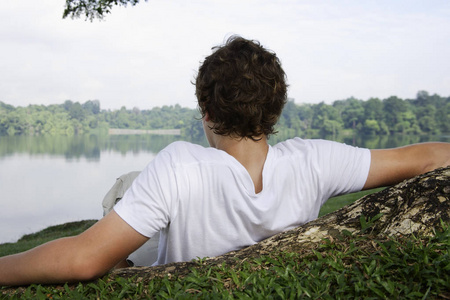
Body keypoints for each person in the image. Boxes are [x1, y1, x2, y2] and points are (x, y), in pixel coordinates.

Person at [0, 36, 449, 286]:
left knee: (127, 185)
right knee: (134, 185)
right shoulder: (315, 160)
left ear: (208, 112)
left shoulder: (181, 163)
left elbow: (82, 260)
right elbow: (428, 156)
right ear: (274, 112)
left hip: (167, 245)